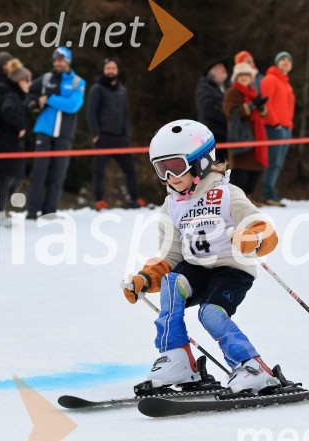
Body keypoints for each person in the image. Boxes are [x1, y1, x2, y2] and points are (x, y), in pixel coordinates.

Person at [121, 119, 284, 396]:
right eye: (161, 169)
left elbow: (262, 227)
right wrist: (146, 278)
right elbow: (170, 255)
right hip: (195, 267)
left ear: (201, 161)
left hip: (231, 268)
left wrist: (252, 237)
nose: (170, 177)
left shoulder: (226, 194)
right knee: (172, 285)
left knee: (210, 313)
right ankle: (177, 357)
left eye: (175, 166)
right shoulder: (172, 205)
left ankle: (252, 367)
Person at [26, 46, 86, 219]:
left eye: (61, 60)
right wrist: (34, 102)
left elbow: (73, 105)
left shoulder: (77, 82)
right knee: (39, 171)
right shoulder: (46, 78)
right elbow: (29, 92)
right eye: (56, 60)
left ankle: (49, 211)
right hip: (44, 130)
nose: (58, 63)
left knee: (58, 173)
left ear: (68, 61)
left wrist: (49, 99)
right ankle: (32, 211)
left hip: (64, 134)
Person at [87, 57, 144, 210]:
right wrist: (95, 133)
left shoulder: (122, 90)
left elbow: (126, 114)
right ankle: (99, 200)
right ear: (104, 70)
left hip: (120, 138)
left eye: (113, 68)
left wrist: (126, 135)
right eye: (108, 68)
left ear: (117, 70)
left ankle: (135, 199)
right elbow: (91, 112)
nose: (110, 71)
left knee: (130, 169)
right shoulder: (97, 88)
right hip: (103, 136)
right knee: (99, 171)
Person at [0, 58, 31, 225]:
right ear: (19, 81)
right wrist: (20, 127)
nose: (29, 83)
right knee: (6, 179)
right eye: (27, 80)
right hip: (6, 143)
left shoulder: (12, 94)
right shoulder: (12, 96)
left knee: (7, 178)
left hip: (4, 143)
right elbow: (7, 111)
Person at [222, 62, 269, 201]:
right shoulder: (232, 92)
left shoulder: (253, 91)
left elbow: (263, 115)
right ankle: (237, 200)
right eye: (241, 74)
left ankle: (249, 198)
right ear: (236, 77)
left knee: (255, 170)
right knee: (240, 171)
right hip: (241, 137)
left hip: (256, 136)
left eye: (247, 74)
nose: (244, 77)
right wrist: (248, 107)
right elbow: (229, 112)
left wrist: (261, 108)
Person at [260, 51, 295, 207]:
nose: (286, 61)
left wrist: (288, 124)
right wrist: (275, 123)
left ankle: (271, 193)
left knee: (279, 163)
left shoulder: (286, 83)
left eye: (289, 59)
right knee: (273, 162)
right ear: (276, 63)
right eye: (282, 59)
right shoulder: (271, 79)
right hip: (274, 127)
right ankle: (267, 194)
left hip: (286, 127)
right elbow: (265, 103)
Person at [195, 59, 229, 145]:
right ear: (211, 72)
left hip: (225, 134)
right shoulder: (203, 88)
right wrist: (228, 116)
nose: (223, 69)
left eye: (224, 68)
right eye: (219, 67)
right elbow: (208, 108)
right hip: (212, 135)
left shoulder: (226, 88)